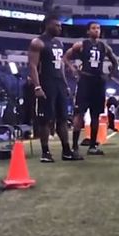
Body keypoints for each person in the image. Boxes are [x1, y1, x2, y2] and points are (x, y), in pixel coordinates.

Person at [27, 15, 82, 163]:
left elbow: (61, 66)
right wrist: (37, 86)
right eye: (57, 25)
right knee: (45, 120)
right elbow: (32, 65)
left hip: (58, 83)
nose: (60, 27)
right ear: (48, 25)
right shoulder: (38, 42)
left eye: (60, 25)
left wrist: (65, 84)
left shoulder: (59, 43)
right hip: (46, 82)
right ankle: (45, 152)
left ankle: (66, 151)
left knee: (63, 118)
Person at [63, 21, 119, 156]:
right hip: (85, 81)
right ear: (88, 31)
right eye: (93, 28)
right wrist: (73, 69)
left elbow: (115, 62)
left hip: (98, 82)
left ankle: (93, 146)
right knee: (79, 114)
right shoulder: (81, 44)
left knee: (96, 115)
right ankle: (75, 146)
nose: (96, 30)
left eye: (98, 28)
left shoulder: (104, 46)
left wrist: (109, 75)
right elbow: (65, 57)